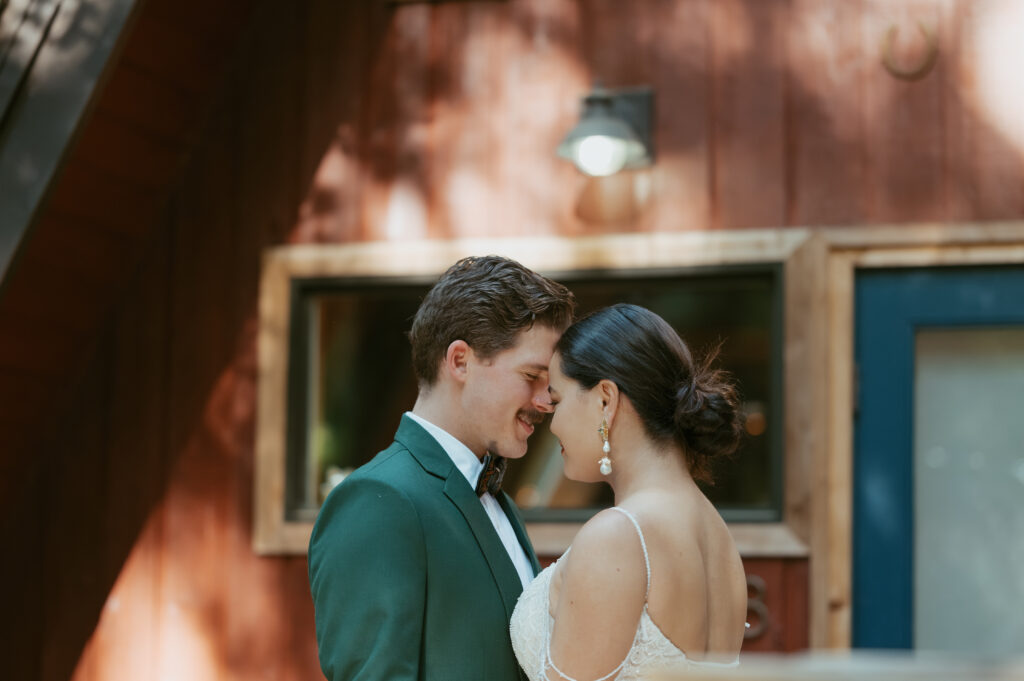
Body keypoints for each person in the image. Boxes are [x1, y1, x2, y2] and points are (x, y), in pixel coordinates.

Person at [308, 255, 575, 681]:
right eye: (532, 375)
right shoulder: (378, 501)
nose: (546, 401)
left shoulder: (495, 499)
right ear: (460, 361)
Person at [510, 303, 748, 681]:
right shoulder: (718, 537)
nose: (551, 424)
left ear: (606, 400)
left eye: (557, 401)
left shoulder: (618, 536)